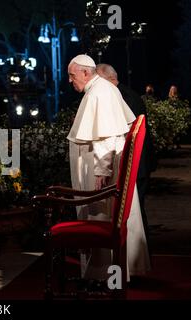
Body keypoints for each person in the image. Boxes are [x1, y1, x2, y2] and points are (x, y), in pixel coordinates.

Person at [67, 55, 150, 281]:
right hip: (101, 167)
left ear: (85, 72)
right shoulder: (102, 89)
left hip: (100, 172)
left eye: (72, 75)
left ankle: (103, 273)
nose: (69, 80)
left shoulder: (99, 92)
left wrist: (101, 172)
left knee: (101, 217)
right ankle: (120, 270)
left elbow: (107, 136)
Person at [96, 64, 157, 256]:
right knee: (134, 212)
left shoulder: (122, 97)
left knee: (133, 213)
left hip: (135, 165)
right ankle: (137, 255)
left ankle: (136, 256)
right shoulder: (125, 94)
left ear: (107, 79)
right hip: (138, 163)